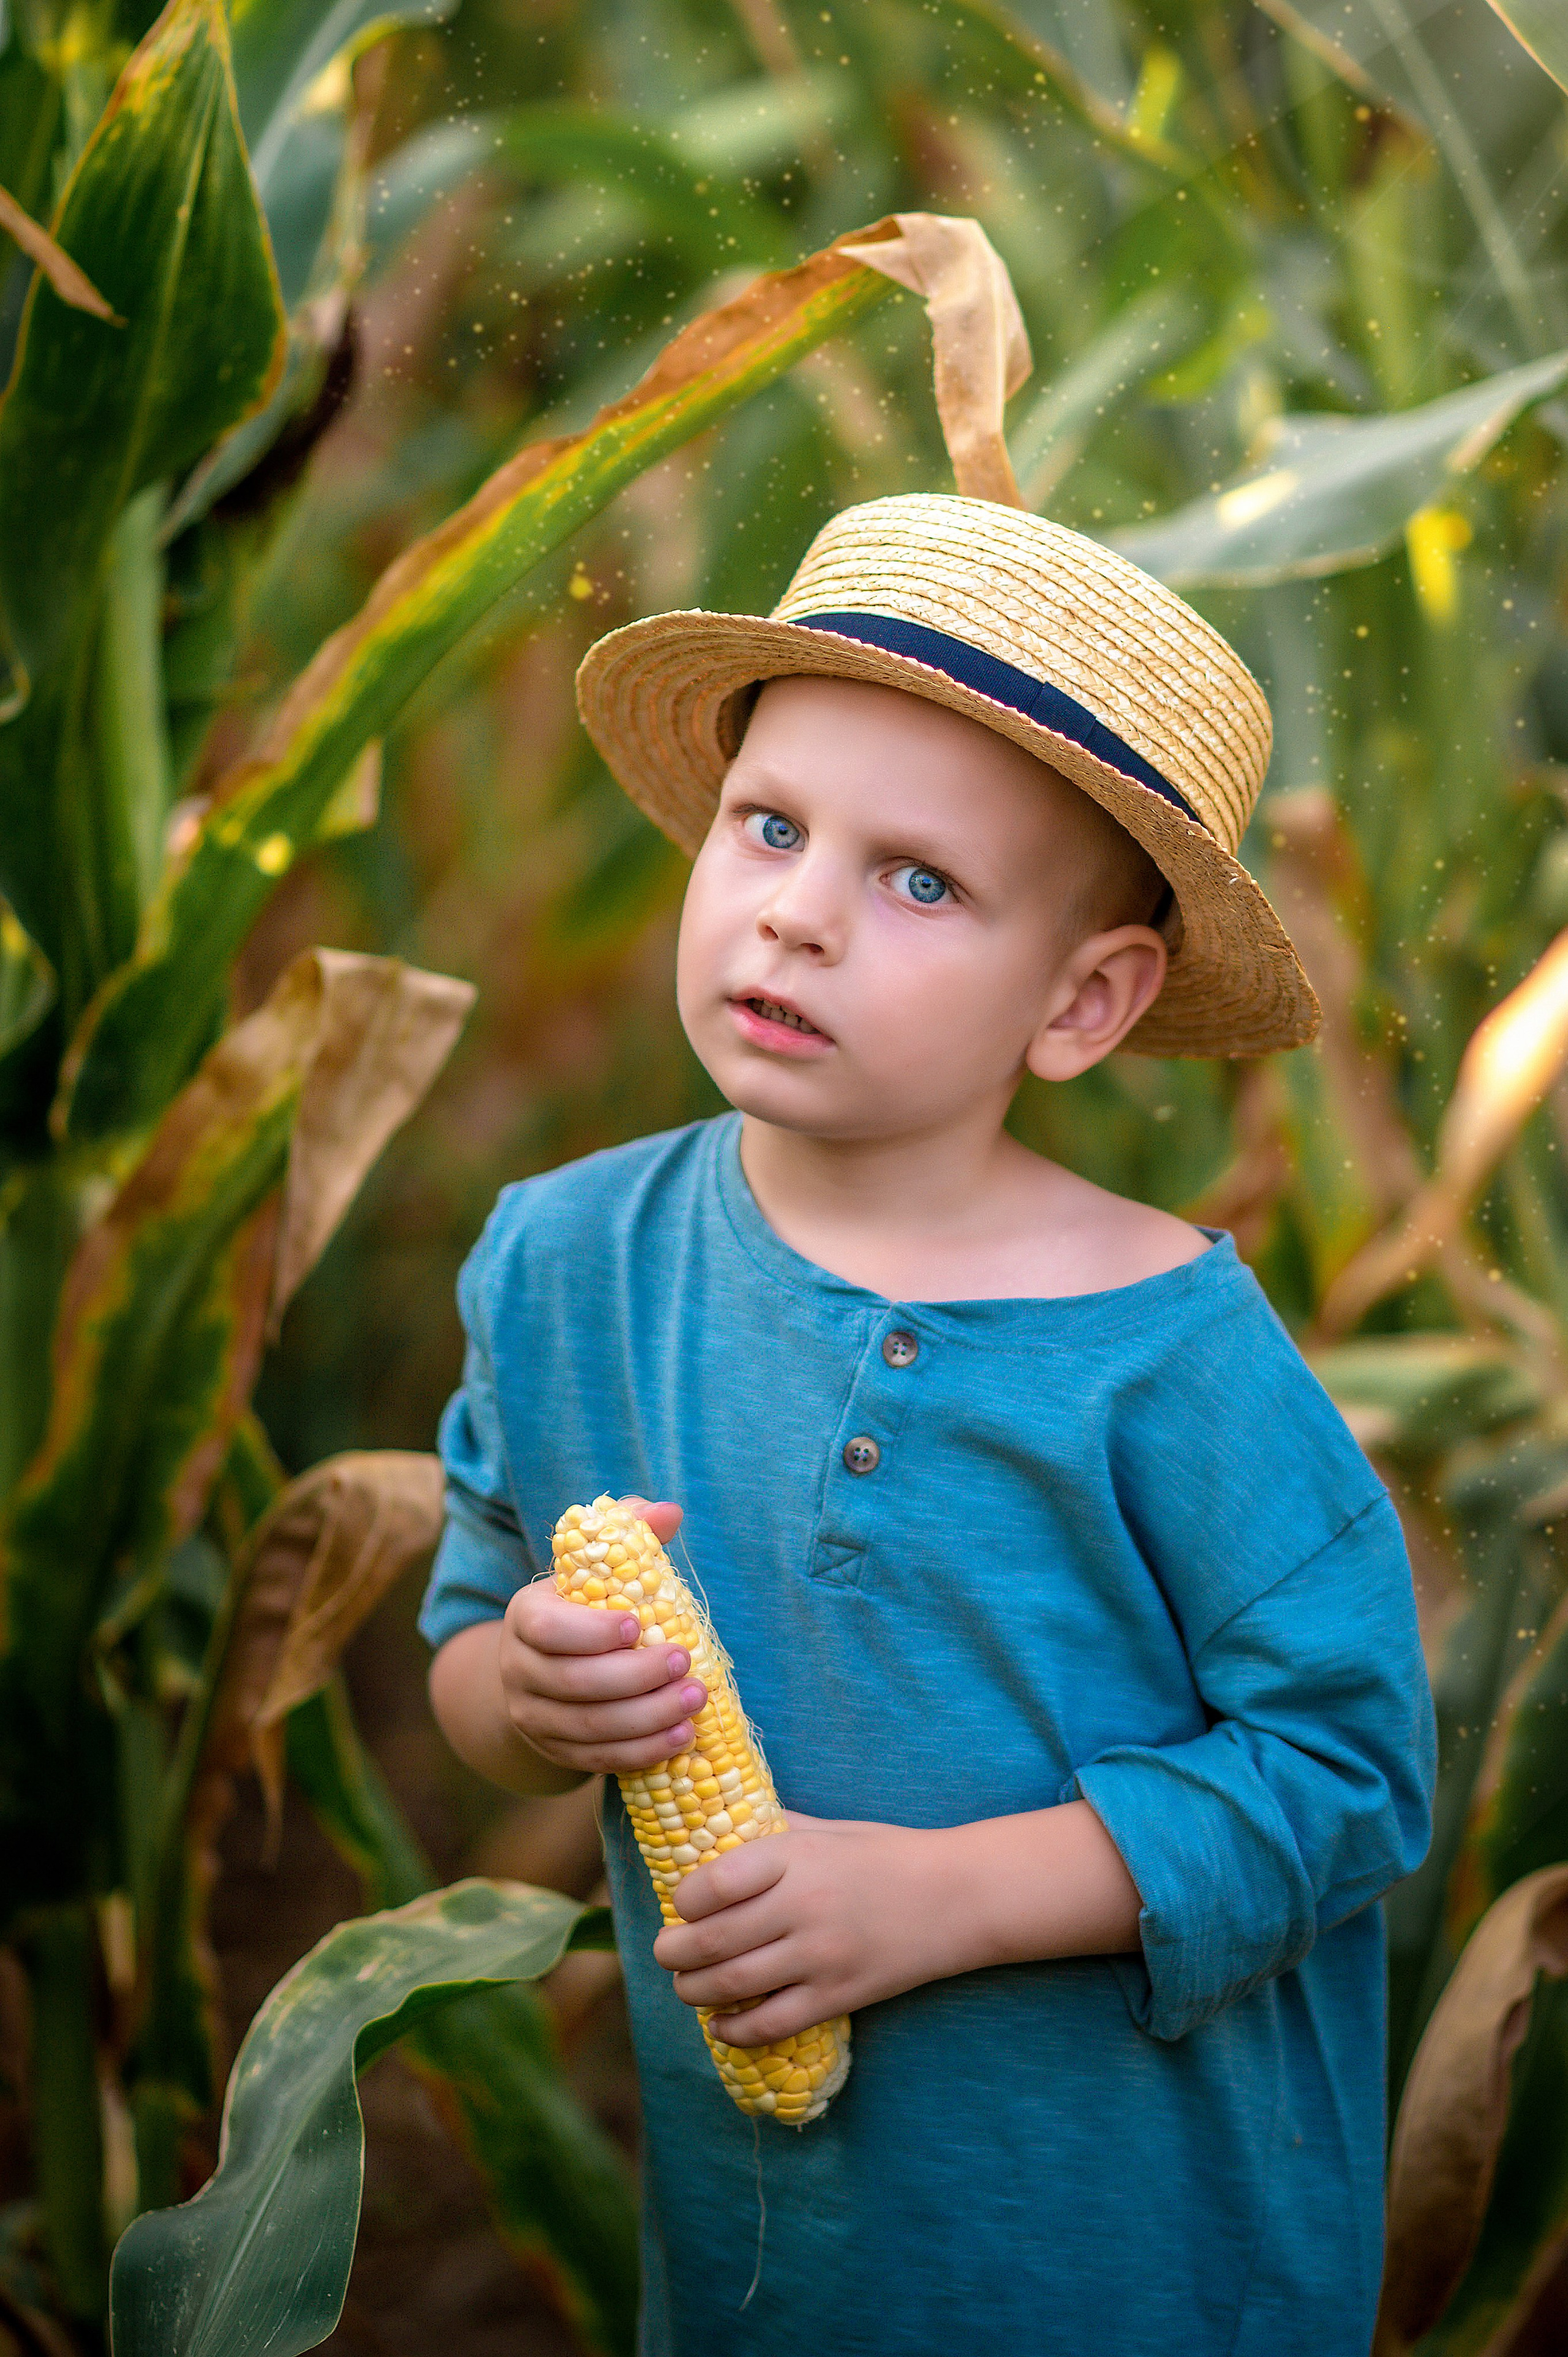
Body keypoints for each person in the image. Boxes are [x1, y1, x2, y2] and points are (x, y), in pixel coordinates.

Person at [421, 493, 1436, 2357]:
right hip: (780, 2261)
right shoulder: (566, 1266)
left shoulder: (1169, 1355)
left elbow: (1355, 1776)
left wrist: (940, 1899)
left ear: (1084, 1003)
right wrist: (523, 1695)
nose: (796, 913)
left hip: (1130, 2261)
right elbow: (468, 1643)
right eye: (773, 826)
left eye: (917, 882)